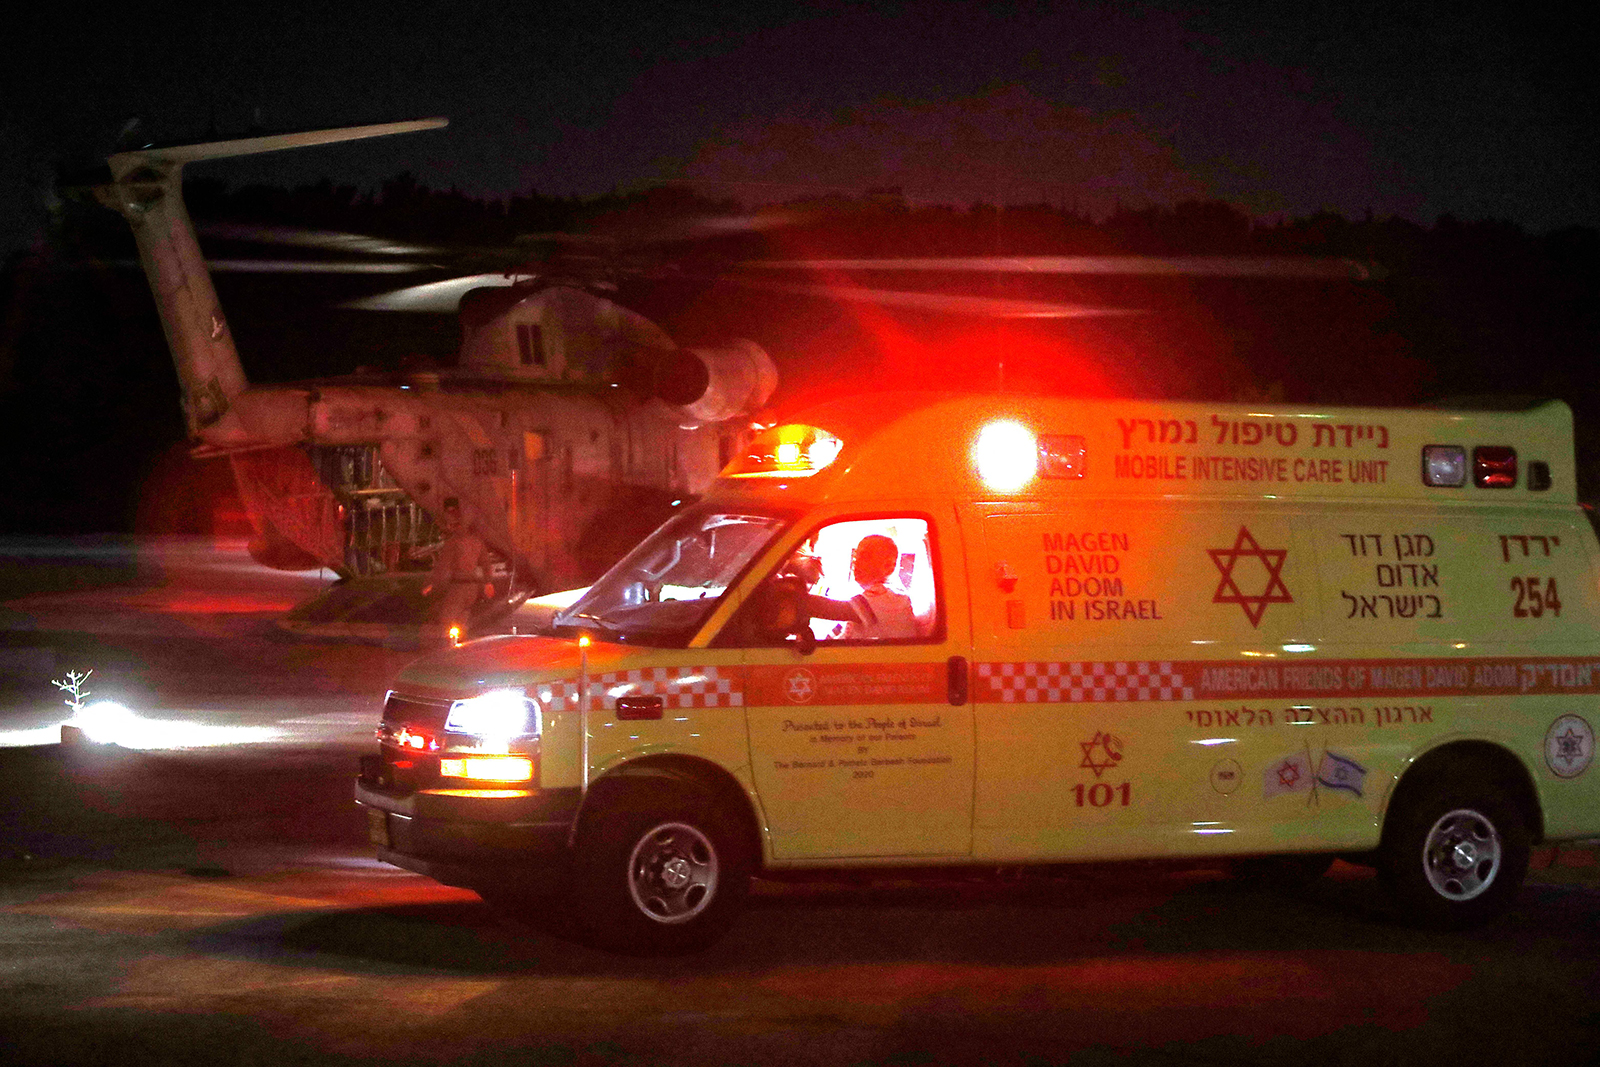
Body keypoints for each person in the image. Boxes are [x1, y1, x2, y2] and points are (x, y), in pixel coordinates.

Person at [423, 497, 490, 633]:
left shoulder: (454, 543)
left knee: (445, 620)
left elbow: (443, 567)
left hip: (459, 587)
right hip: (473, 588)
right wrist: (488, 583)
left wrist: (431, 585)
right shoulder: (477, 541)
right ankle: (462, 648)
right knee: (462, 620)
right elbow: (486, 564)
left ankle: (449, 650)